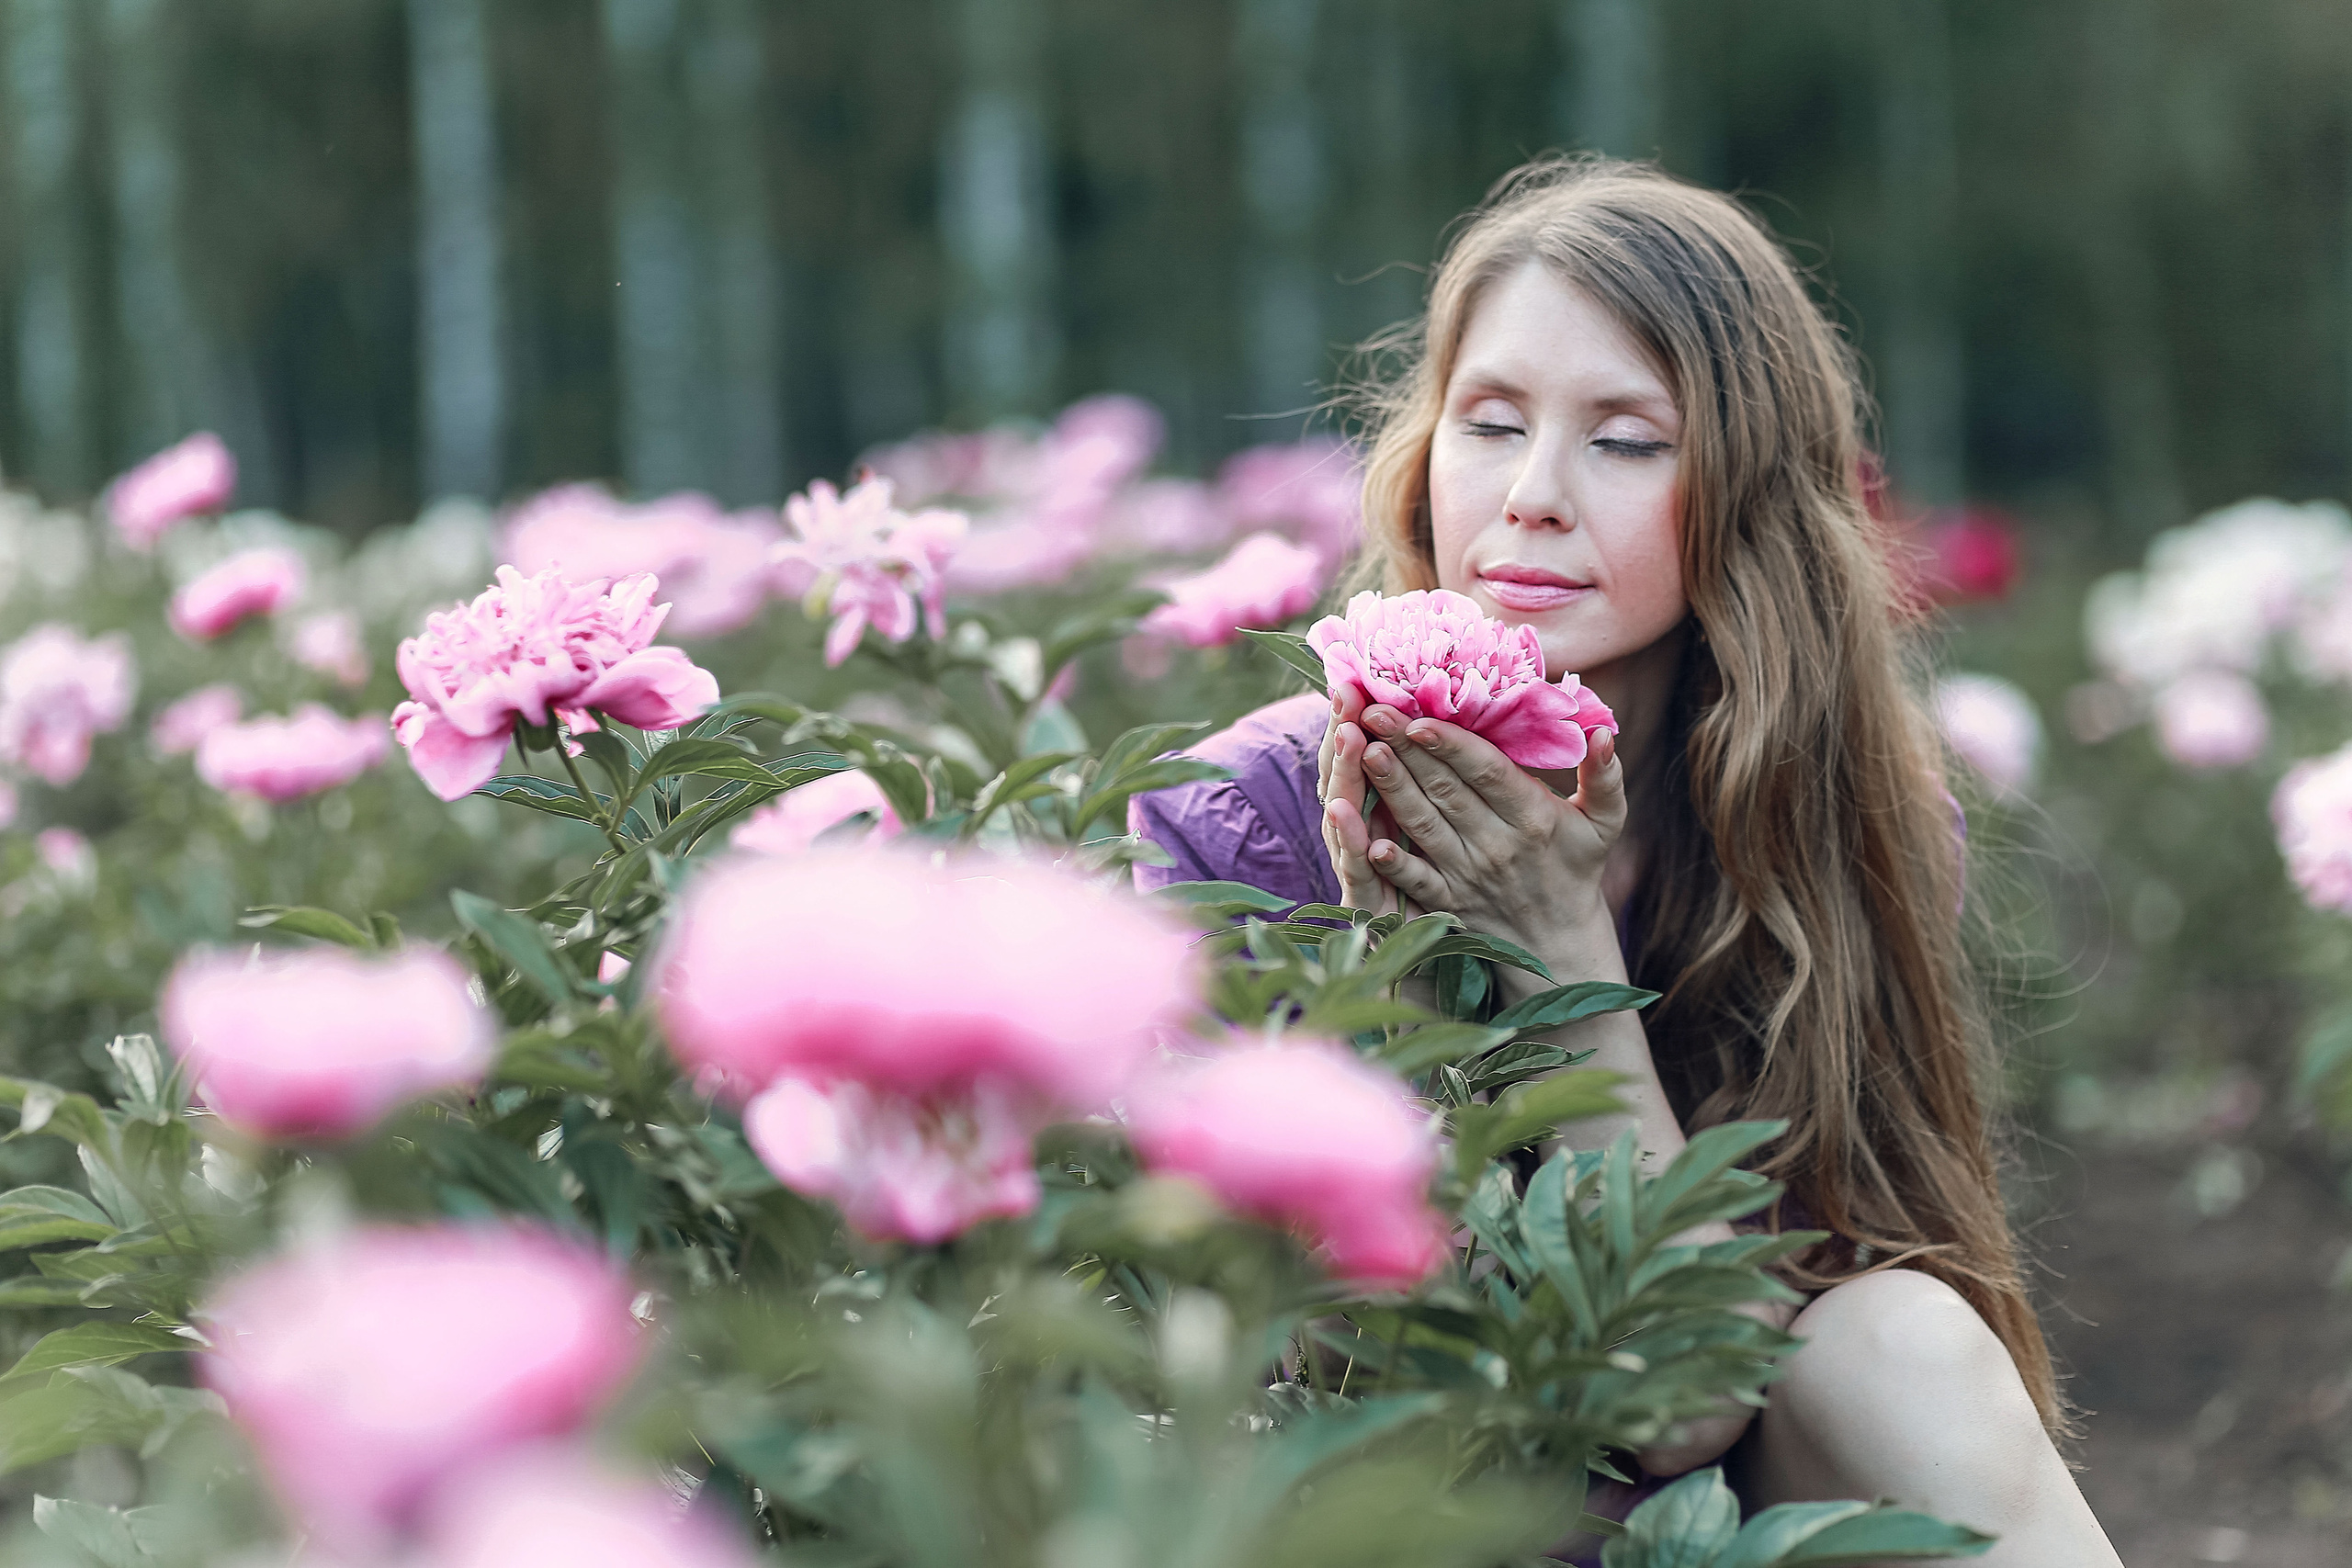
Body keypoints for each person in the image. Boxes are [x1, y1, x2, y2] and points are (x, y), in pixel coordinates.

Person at [1130, 157, 2123, 1565]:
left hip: (1700, 1515)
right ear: (1424, 454)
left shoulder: (1831, 820)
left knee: (1903, 1337)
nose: (1531, 495)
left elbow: (1679, 1404)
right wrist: (1389, 969)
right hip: (1370, 1513)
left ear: (1745, 496)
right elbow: (1330, 1375)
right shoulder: (1239, 823)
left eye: (1625, 440)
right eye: (1490, 424)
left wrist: (1564, 963)